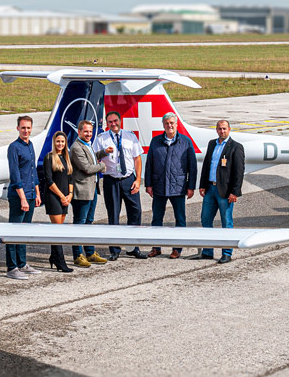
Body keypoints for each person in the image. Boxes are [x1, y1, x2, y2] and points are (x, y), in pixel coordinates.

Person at [93, 110, 146, 259]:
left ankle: (133, 247)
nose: (113, 124)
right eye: (110, 122)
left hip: (129, 179)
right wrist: (104, 152)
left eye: (115, 121)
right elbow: (95, 158)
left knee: (135, 212)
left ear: (120, 121)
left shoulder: (130, 137)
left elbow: (137, 159)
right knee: (113, 215)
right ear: (107, 123)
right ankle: (114, 250)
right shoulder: (102, 139)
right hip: (111, 180)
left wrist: (137, 180)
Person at [144, 113, 197, 258]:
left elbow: (192, 166)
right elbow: (149, 164)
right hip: (159, 187)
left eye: (172, 123)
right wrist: (148, 184)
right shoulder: (155, 141)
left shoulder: (185, 142)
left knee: (180, 219)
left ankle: (177, 249)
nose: (170, 125)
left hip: (178, 187)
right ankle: (156, 247)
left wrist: (191, 186)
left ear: (176, 124)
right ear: (163, 125)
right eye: (167, 123)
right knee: (156, 218)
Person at [196, 119, 244, 263]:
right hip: (210, 188)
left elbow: (239, 171)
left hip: (225, 191)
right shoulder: (212, 144)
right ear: (216, 130)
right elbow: (206, 165)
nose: (221, 131)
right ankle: (207, 251)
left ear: (229, 129)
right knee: (205, 219)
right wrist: (203, 184)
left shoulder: (236, 147)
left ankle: (227, 253)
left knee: (226, 222)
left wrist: (235, 192)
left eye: (224, 129)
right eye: (219, 129)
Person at [5, 115, 41, 279]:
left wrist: (37, 192)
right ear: (18, 128)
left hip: (31, 194)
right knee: (14, 231)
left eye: (28, 128)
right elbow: (15, 175)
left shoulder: (30, 145)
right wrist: (23, 198)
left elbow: (33, 170)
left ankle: (22, 263)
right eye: (23, 127)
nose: (26, 130)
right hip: (19, 196)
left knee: (24, 231)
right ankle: (12, 267)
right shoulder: (14, 147)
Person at [69, 120, 107, 268]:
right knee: (80, 223)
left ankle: (90, 253)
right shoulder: (77, 147)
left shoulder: (87, 144)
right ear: (79, 132)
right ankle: (78, 255)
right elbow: (86, 168)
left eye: (90, 132)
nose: (89, 134)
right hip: (82, 192)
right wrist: (102, 166)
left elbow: (91, 157)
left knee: (89, 222)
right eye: (85, 131)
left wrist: (103, 153)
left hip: (92, 190)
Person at [38, 131, 75, 273]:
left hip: (66, 197)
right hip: (54, 197)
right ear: (54, 142)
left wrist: (70, 195)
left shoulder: (66, 157)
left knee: (58, 229)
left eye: (62, 141)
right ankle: (60, 261)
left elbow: (70, 177)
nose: (60, 144)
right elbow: (49, 180)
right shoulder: (49, 157)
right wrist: (61, 196)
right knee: (58, 231)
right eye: (58, 141)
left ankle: (54, 256)